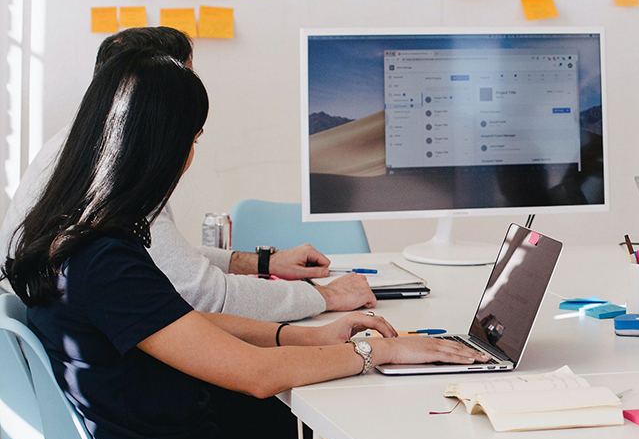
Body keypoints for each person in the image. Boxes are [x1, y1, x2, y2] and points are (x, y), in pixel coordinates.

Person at [2, 48, 489, 439]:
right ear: (163, 146)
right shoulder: (105, 259)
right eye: (192, 139)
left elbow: (182, 323)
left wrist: (309, 337)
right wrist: (374, 352)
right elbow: (255, 376)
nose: (191, 157)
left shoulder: (74, 234)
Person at [0, 27, 374, 323]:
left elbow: (158, 260)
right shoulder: (115, 177)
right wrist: (325, 297)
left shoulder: (76, 149)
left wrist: (264, 263)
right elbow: (205, 297)